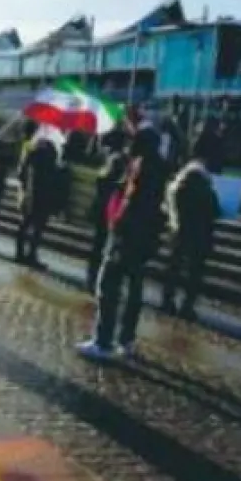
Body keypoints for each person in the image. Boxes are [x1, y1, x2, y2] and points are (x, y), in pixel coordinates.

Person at [79, 126, 167, 361]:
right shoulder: (160, 167)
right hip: (145, 239)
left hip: (126, 236)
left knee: (108, 286)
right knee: (134, 290)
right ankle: (126, 340)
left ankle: (103, 340)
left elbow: (130, 202)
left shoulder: (140, 168)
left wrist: (117, 225)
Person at [162, 141, 221, 319]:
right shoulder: (204, 185)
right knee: (194, 272)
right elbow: (214, 210)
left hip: (179, 231)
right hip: (199, 234)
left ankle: (167, 300)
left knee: (174, 267)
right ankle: (187, 306)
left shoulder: (179, 184)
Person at [88, 130, 130, 293]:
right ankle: (98, 280)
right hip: (111, 212)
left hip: (102, 211)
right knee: (105, 247)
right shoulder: (122, 163)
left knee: (98, 246)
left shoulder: (111, 162)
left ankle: (92, 278)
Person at [14, 121, 59, 270]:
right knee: (35, 227)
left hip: (32, 193)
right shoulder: (49, 150)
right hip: (40, 194)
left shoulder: (31, 148)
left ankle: (22, 254)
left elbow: (21, 172)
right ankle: (29, 255)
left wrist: (24, 187)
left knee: (27, 224)